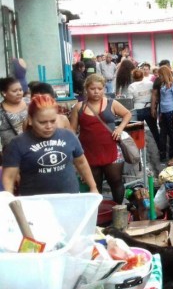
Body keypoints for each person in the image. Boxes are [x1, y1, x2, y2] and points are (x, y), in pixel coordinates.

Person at [2, 94, 98, 196]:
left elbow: (81, 162)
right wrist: (9, 200)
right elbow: (9, 177)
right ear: (30, 120)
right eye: (42, 122)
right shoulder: (17, 144)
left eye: (53, 121)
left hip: (70, 199)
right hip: (35, 203)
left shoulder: (68, 135)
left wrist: (93, 187)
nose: (49, 126)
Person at [70, 74, 132, 204]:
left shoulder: (112, 103)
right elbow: (72, 131)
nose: (96, 91)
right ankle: (98, 215)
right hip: (88, 152)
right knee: (94, 185)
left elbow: (127, 114)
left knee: (115, 182)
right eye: (92, 88)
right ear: (86, 89)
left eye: (99, 88)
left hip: (112, 149)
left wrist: (120, 128)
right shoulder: (79, 107)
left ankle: (118, 210)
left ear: (104, 89)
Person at [156, 66, 173, 165]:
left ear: (165, 75)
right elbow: (162, 100)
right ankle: (171, 155)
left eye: (161, 75)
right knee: (165, 134)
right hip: (165, 112)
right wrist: (161, 113)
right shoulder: (163, 85)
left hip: (172, 112)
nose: (159, 77)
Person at [128, 69, 160, 149]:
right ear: (142, 75)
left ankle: (139, 150)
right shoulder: (150, 83)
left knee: (137, 131)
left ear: (133, 77)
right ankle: (160, 149)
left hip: (138, 109)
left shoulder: (132, 86)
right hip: (150, 108)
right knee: (154, 130)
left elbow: (130, 100)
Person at [0, 77, 29, 153]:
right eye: (14, 91)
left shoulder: (29, 103)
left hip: (32, 148)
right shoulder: (1, 110)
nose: (19, 93)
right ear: (4, 93)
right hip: (11, 151)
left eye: (20, 90)